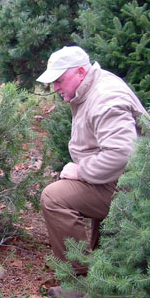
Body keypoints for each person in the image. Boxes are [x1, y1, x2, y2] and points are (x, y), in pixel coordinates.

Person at [36, 46, 148, 298]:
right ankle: (101, 265)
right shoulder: (91, 86)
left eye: (59, 80)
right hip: (122, 180)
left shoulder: (105, 98)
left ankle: (81, 282)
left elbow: (122, 154)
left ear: (80, 72)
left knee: (55, 197)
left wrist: (81, 170)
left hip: (133, 187)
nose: (55, 87)